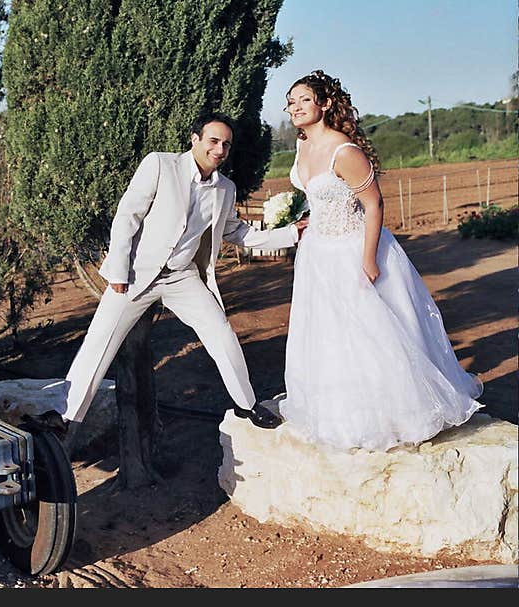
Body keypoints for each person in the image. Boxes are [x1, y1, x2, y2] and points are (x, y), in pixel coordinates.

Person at [56, 112, 307, 431]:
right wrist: (118, 271)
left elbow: (237, 233)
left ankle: (247, 405)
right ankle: (64, 416)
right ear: (195, 139)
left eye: (226, 145)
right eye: (213, 141)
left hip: (182, 277)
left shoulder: (225, 188)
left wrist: (291, 233)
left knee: (221, 333)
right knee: (99, 341)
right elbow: (127, 215)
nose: (219, 150)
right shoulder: (160, 165)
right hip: (136, 275)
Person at [279, 70, 482, 451]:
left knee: (371, 333)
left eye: (304, 99)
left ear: (324, 104)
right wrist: (308, 219)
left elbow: (374, 204)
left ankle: (396, 416)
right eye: (291, 101)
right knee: (328, 335)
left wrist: (368, 260)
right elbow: (320, 195)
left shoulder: (345, 151)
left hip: (354, 250)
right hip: (318, 254)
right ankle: (342, 415)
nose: (295, 107)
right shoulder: (302, 146)